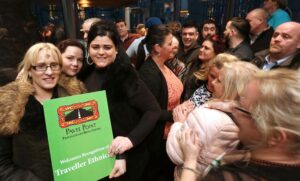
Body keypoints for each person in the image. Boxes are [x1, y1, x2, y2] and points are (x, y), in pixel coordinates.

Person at [81, 20, 161, 181]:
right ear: (88, 47)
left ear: (117, 49)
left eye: (107, 47)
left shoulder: (126, 76)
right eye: (95, 47)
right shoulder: (84, 74)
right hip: (94, 158)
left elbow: (153, 111)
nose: (101, 52)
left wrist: (130, 140)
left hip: (125, 162)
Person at [0, 42, 85, 180]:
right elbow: (2, 165)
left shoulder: (75, 97)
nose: (50, 72)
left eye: (54, 65)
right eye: (40, 66)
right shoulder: (8, 104)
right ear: (29, 70)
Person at [167, 61, 260, 180]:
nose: (213, 83)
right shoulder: (246, 117)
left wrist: (178, 123)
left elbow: (176, 154)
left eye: (219, 80)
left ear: (231, 87)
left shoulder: (207, 116)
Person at [202, 69, 300, 181]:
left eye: (242, 109)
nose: (234, 110)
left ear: (275, 137)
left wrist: (189, 163)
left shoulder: (227, 177)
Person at [139, 24, 184, 181]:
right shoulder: (149, 74)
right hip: (159, 141)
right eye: (170, 44)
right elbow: (150, 113)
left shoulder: (164, 65)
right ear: (157, 48)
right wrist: (176, 114)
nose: (174, 47)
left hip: (171, 133)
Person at [181, 35, 226, 101]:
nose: (201, 49)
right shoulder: (194, 63)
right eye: (202, 46)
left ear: (216, 52)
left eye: (206, 48)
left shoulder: (215, 72)